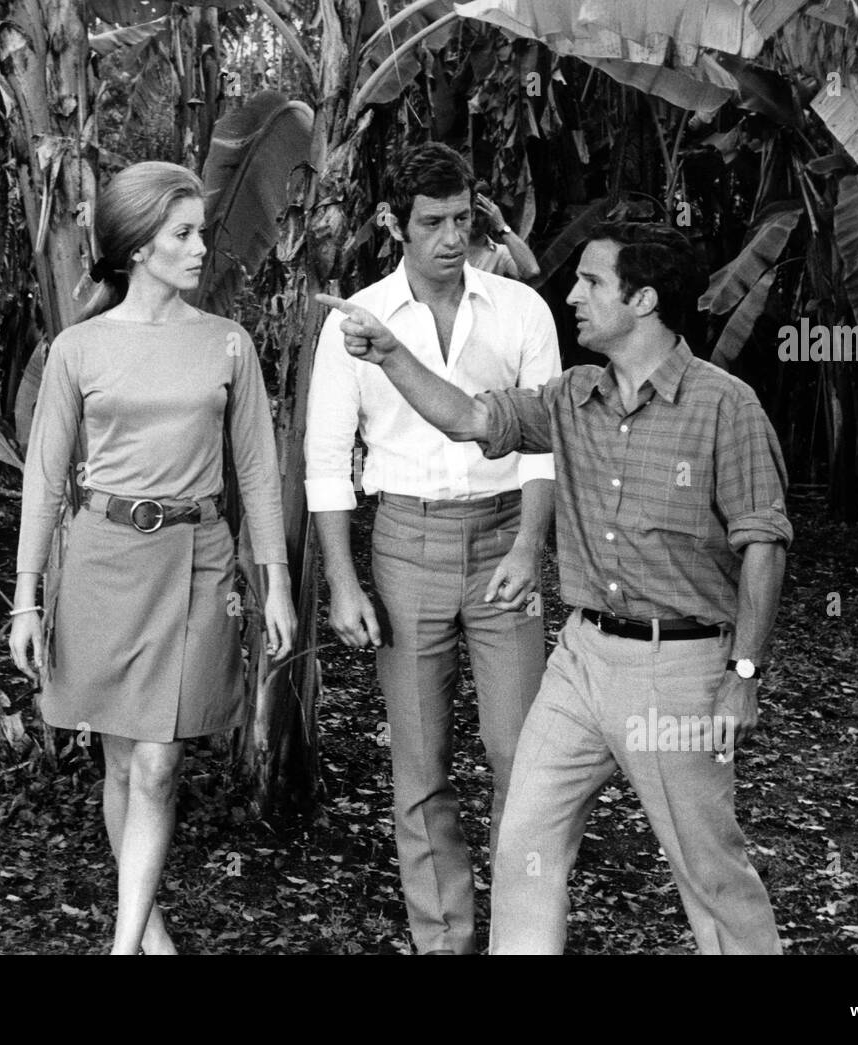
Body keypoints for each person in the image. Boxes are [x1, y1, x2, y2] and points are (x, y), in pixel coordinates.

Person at [315, 220, 792, 954]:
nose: (571, 295)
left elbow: (762, 543)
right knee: (525, 836)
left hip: (678, 669)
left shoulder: (725, 405)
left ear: (644, 300)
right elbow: (472, 417)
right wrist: (390, 355)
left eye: (592, 282)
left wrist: (745, 674)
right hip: (580, 657)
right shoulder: (572, 398)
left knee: (708, 869)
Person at [9, 161, 297, 955]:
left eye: (201, 230)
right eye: (184, 233)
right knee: (121, 759)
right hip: (100, 560)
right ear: (138, 247)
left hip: (197, 558)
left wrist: (274, 583)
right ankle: (146, 937)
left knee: (160, 763)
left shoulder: (228, 344)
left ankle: (120, 945)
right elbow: (42, 480)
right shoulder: (78, 348)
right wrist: (26, 599)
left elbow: (258, 473)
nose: (202, 246)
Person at [305, 142, 561, 954]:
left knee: (521, 755)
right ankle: (443, 938)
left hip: (501, 542)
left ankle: (521, 937)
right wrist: (344, 585)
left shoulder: (521, 310)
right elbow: (324, 460)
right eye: (433, 222)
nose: (452, 237)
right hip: (404, 542)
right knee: (420, 761)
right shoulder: (358, 325)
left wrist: (530, 546)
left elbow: (547, 444)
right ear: (394, 223)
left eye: (463, 218)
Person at [466, 180, 540, 281]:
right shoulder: (449, 246)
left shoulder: (499, 253)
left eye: (480, 213)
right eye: (470, 212)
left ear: (490, 215)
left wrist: (501, 225)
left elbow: (531, 271)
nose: (474, 219)